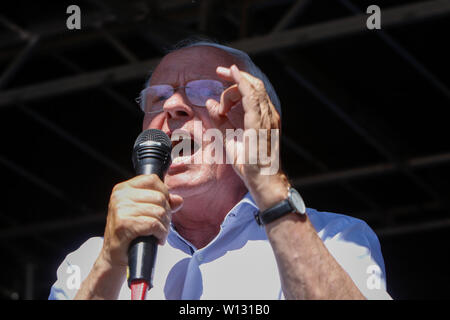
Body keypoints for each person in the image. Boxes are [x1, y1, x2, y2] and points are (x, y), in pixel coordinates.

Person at [49, 39, 391, 300]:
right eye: (157, 98)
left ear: (258, 123)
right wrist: (110, 265)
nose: (172, 106)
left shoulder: (333, 238)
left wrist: (271, 189)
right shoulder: (90, 260)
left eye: (204, 92)